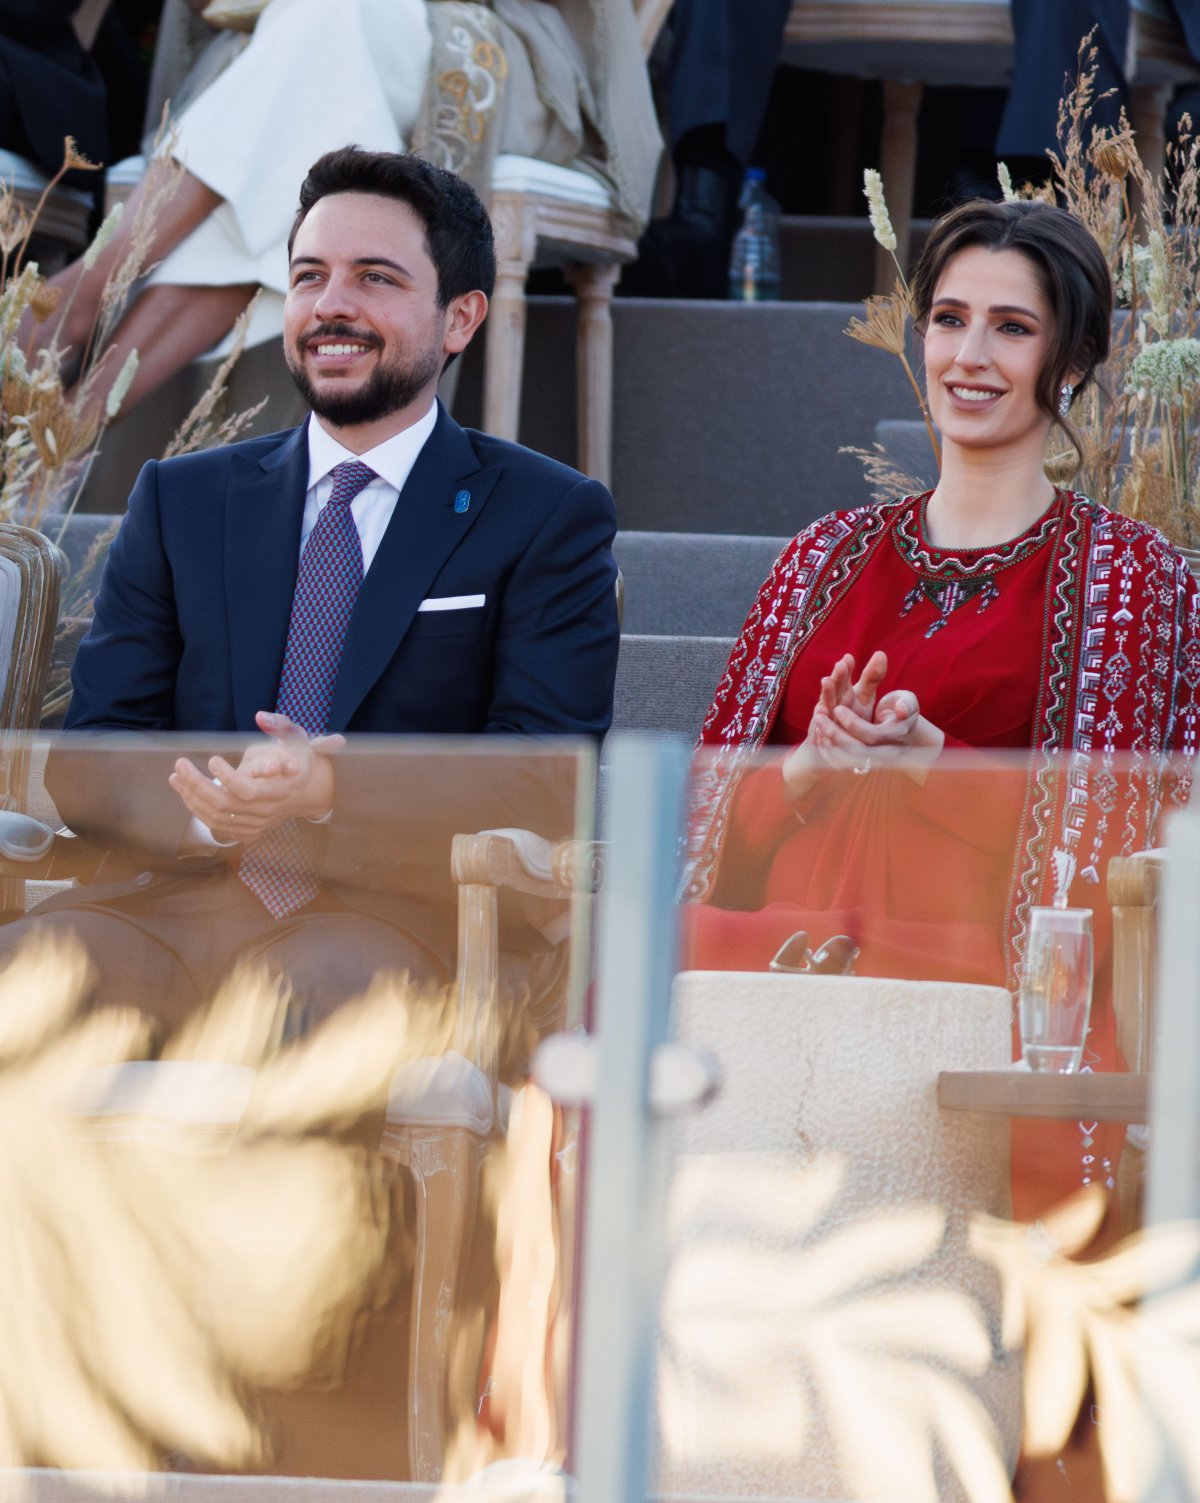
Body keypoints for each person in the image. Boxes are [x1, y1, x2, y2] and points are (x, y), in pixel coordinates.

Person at [2, 145, 620, 1030]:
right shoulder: (183, 498)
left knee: (292, 1019)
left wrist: (329, 793)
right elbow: (94, 753)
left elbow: (545, 781)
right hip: (168, 906)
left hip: (393, 925)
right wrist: (210, 812)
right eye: (309, 276)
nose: (332, 305)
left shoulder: (547, 516)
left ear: (460, 318)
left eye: (375, 278)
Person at [683, 197, 1200, 1217]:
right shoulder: (817, 559)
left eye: (1012, 328)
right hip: (778, 949)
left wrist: (932, 762)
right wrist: (810, 766)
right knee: (632, 991)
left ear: (1074, 362)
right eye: (949, 319)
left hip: (978, 971)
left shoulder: (1134, 579)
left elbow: (1137, 852)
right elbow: (710, 840)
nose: (970, 354)